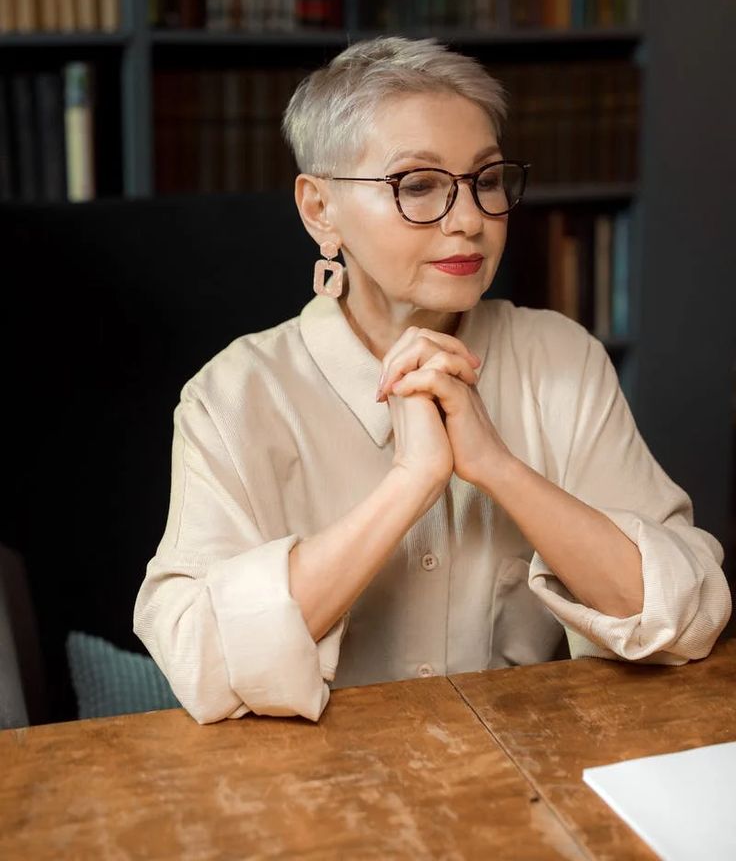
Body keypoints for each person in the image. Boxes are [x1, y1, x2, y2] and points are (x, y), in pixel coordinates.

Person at [133, 36, 732, 725]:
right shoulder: (234, 396)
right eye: (418, 185)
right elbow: (203, 666)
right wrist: (411, 481)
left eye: (486, 179)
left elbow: (688, 618)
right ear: (319, 210)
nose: (472, 220)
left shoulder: (560, 359)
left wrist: (499, 469)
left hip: (533, 771)